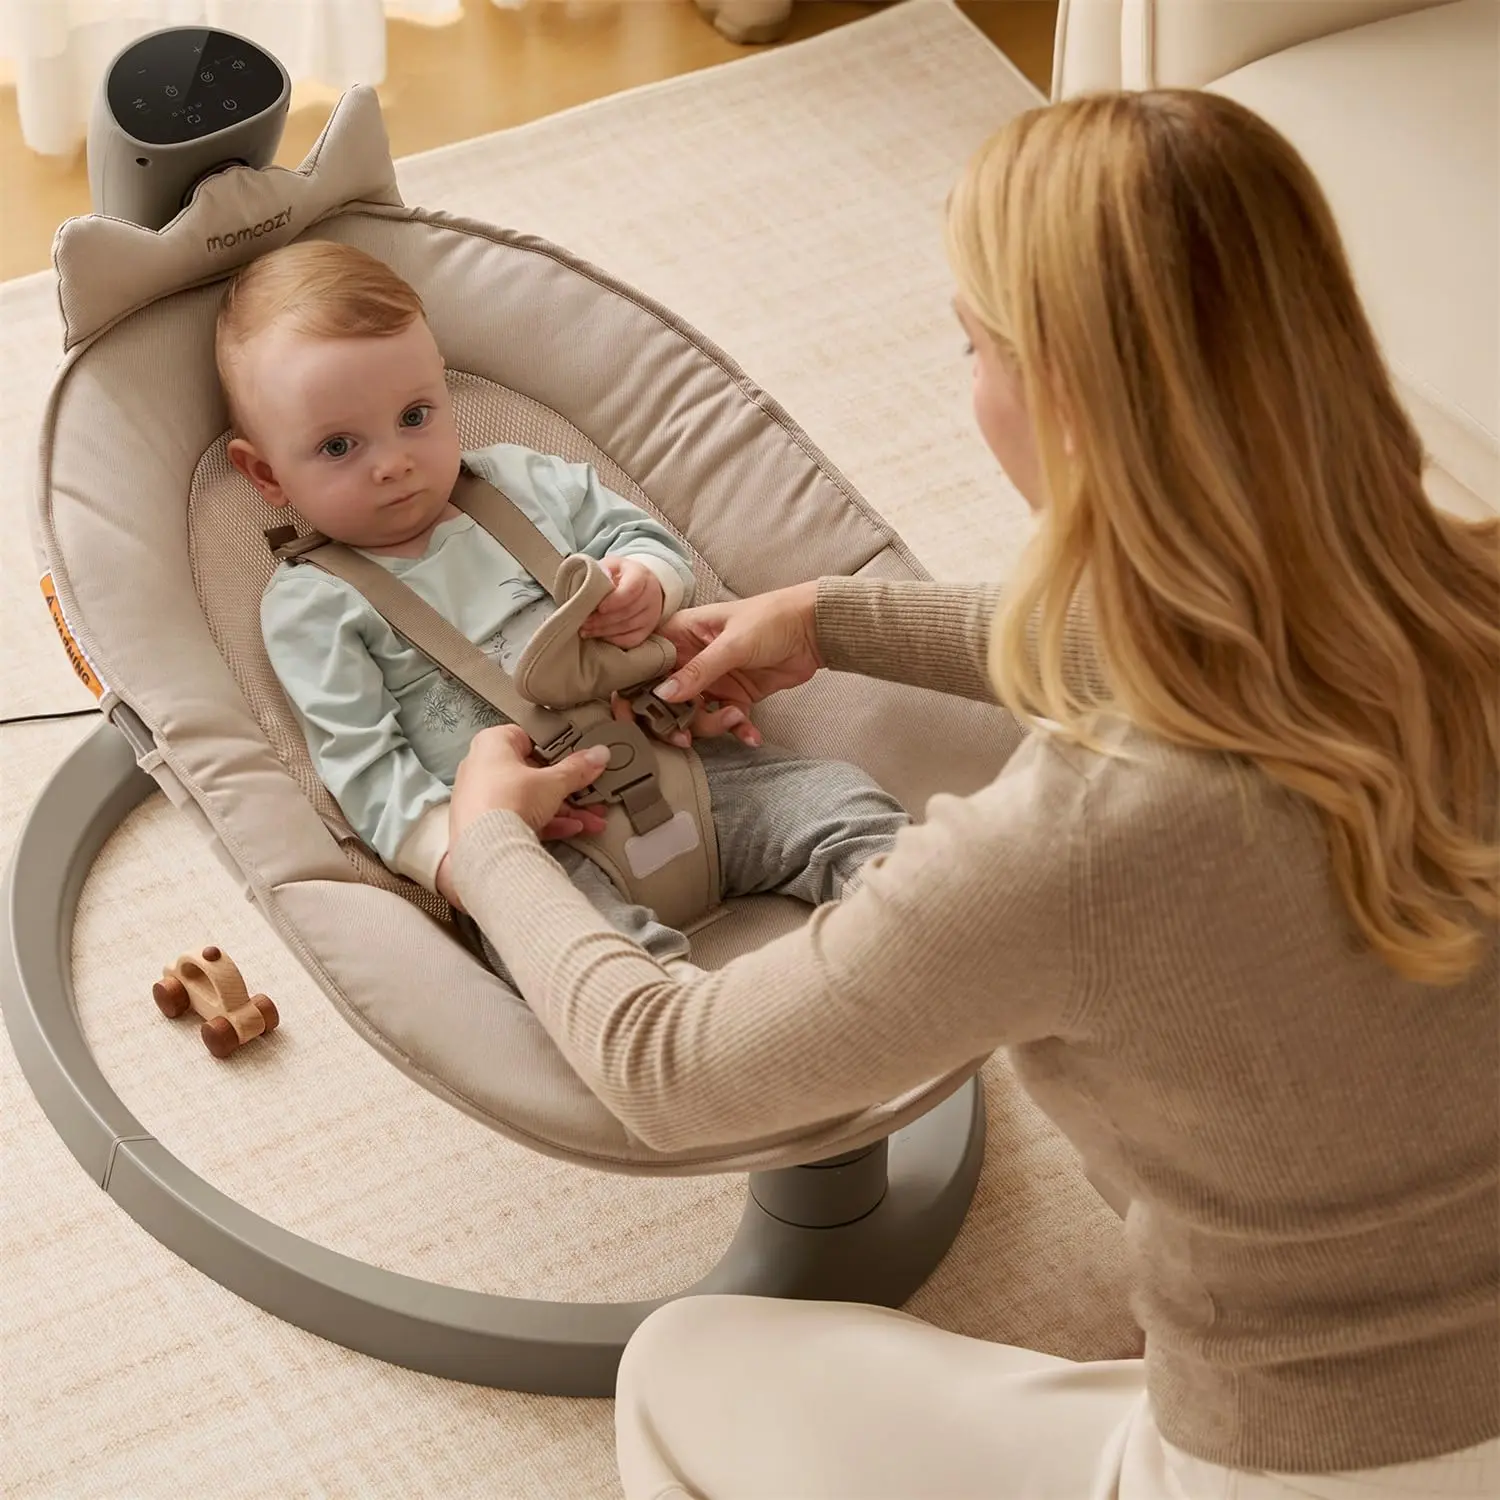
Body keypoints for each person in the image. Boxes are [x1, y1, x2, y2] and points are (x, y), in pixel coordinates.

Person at [444, 90, 1500, 1498]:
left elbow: (672, 1069)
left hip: (1316, 1467)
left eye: (973, 345)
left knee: (684, 1369)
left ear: (1058, 392)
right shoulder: (1468, 589)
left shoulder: (1082, 841)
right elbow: (1221, 651)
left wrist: (486, 848)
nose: (972, 384)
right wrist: (835, 618)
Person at [217, 240, 910, 981]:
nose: (393, 462)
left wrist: (647, 583)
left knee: (838, 801)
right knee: (558, 951)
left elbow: (642, 540)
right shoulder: (313, 605)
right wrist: (469, 863)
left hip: (690, 769)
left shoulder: (523, 481)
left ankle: (916, 924)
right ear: (266, 474)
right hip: (538, 849)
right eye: (338, 446)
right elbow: (366, 768)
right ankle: (670, 1013)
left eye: (415, 415)